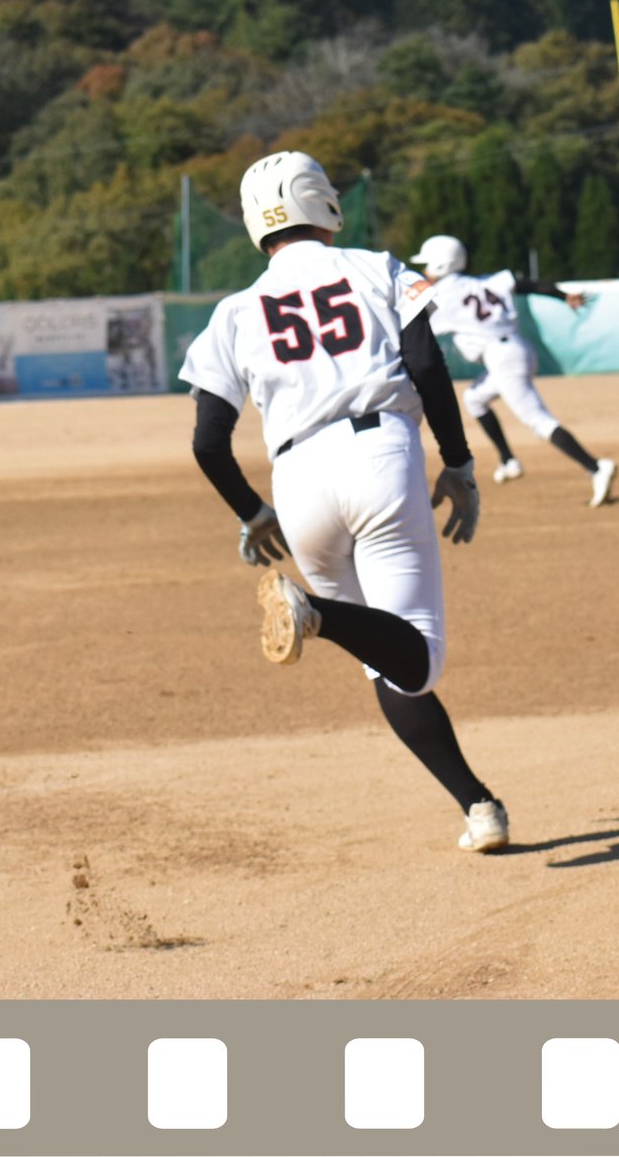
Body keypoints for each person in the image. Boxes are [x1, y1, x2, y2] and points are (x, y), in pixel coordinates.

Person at [179, 152, 511, 853]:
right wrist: (457, 462)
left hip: (296, 481)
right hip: (378, 454)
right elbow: (427, 365)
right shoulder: (377, 267)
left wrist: (252, 511)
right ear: (323, 202)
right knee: (418, 662)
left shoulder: (233, 311)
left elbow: (208, 442)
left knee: (384, 662)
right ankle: (315, 613)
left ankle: (479, 807)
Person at [408, 234, 619, 507]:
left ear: (441, 264)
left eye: (427, 264)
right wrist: (563, 295)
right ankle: (508, 460)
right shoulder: (485, 281)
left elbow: (414, 329)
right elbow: (526, 283)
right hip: (518, 348)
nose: (424, 270)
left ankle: (596, 467)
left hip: (502, 359)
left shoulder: (441, 297)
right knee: (474, 398)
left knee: (539, 421)